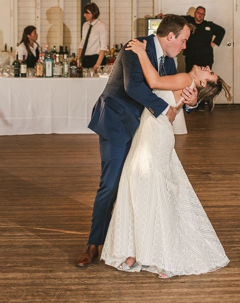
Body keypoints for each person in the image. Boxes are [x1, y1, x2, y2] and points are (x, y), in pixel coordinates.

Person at [101, 37, 231, 278]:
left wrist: (140, 52)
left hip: (155, 135)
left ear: (202, 82)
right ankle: (143, 251)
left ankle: (156, 254)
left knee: (145, 187)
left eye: (209, 73)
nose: (206, 68)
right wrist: (188, 103)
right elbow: (173, 106)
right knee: (148, 189)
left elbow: (154, 81)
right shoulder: (186, 82)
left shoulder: (185, 78)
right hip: (154, 131)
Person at [76, 15, 198, 269]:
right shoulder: (135, 47)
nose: (184, 46)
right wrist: (166, 110)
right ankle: (93, 243)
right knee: (110, 186)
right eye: (183, 40)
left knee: (134, 188)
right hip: (117, 122)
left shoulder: (171, 60)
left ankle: (128, 245)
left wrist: (191, 101)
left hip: (144, 130)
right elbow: (133, 87)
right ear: (171, 36)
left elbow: (171, 90)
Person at [157, 7, 225, 110]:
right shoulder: (187, 21)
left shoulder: (209, 25)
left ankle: (201, 105)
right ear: (195, 13)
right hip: (191, 57)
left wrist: (215, 42)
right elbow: (176, 19)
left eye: (203, 14)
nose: (200, 15)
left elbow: (222, 31)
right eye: (199, 13)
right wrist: (164, 16)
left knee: (201, 85)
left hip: (205, 57)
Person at [78, 3, 108, 73]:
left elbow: (103, 47)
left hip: (96, 58)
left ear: (94, 13)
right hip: (85, 58)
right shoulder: (85, 25)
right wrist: (78, 58)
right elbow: (82, 43)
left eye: (87, 13)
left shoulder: (102, 26)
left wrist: (98, 64)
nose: (84, 15)